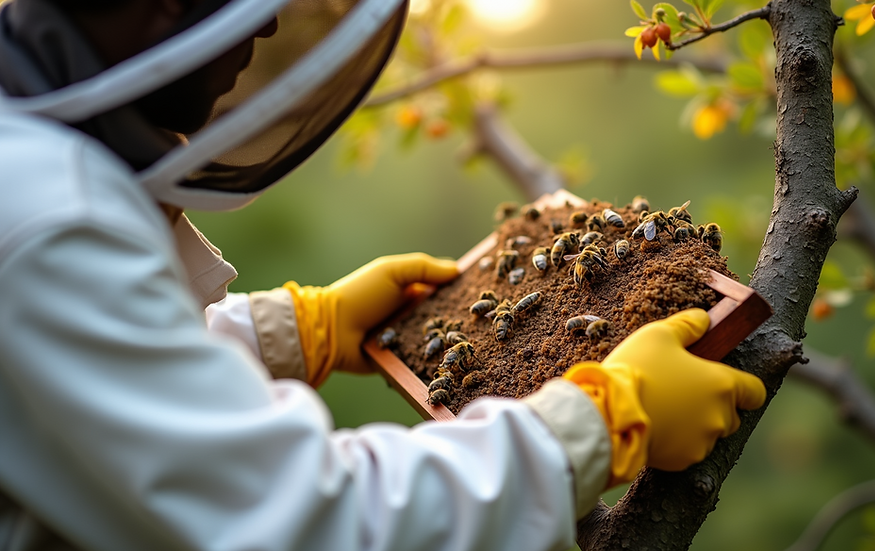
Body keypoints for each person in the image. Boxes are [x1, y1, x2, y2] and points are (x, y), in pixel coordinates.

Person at [0, 1, 768, 550]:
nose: (268, 25)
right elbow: (305, 521)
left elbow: (80, 381)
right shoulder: (50, 219)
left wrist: (287, 331)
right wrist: (599, 423)